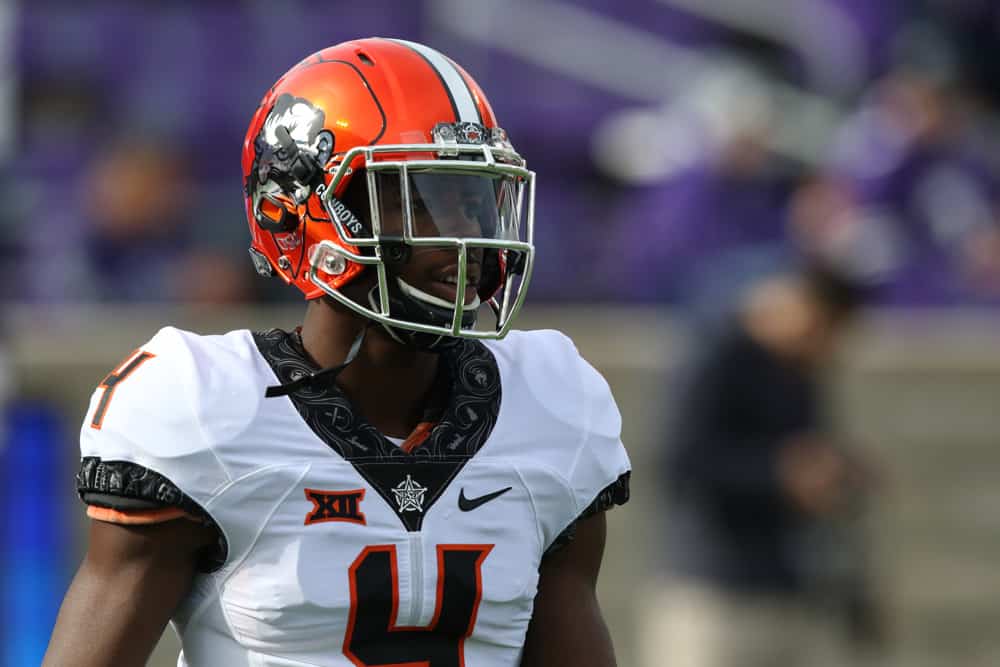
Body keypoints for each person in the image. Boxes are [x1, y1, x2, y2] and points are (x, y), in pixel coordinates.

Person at [43, 38, 630, 667]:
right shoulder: (204, 409)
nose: (472, 239)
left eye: (478, 200)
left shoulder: (551, 404)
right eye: (428, 200)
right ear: (308, 210)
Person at [642, 265, 884, 667]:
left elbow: (806, 458)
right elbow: (678, 462)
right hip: (711, 594)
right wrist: (777, 473)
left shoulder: (799, 374)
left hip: (788, 592)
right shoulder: (713, 354)